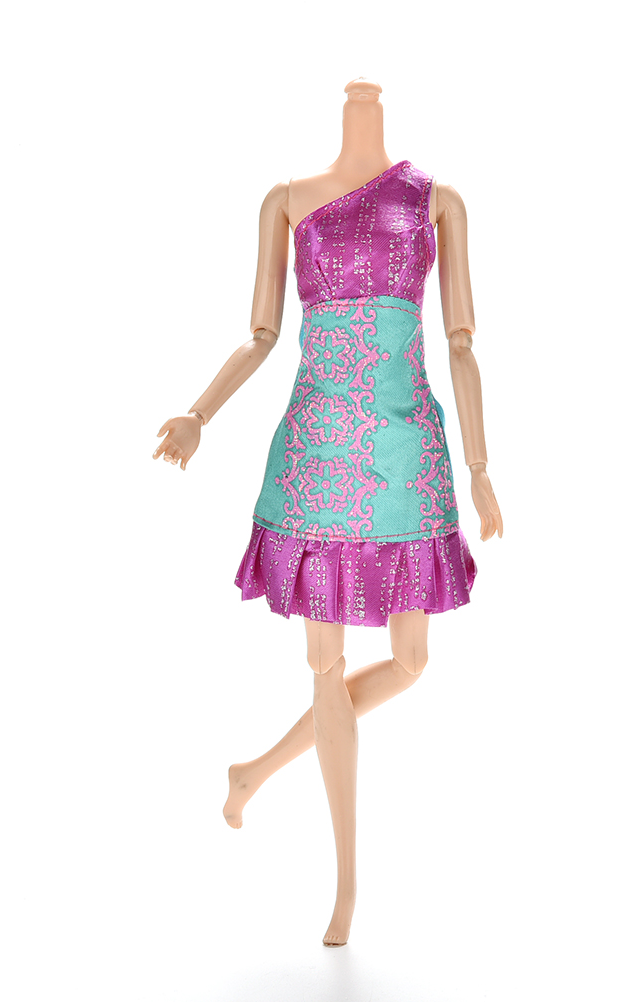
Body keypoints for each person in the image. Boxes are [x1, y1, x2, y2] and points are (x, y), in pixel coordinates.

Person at [153, 77, 503, 947]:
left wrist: (480, 467)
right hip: (317, 453)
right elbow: (261, 335)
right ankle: (346, 889)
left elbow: (462, 343)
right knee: (326, 666)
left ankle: (252, 772)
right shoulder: (286, 200)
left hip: (409, 451)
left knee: (412, 660)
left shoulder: (439, 202)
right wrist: (198, 413)